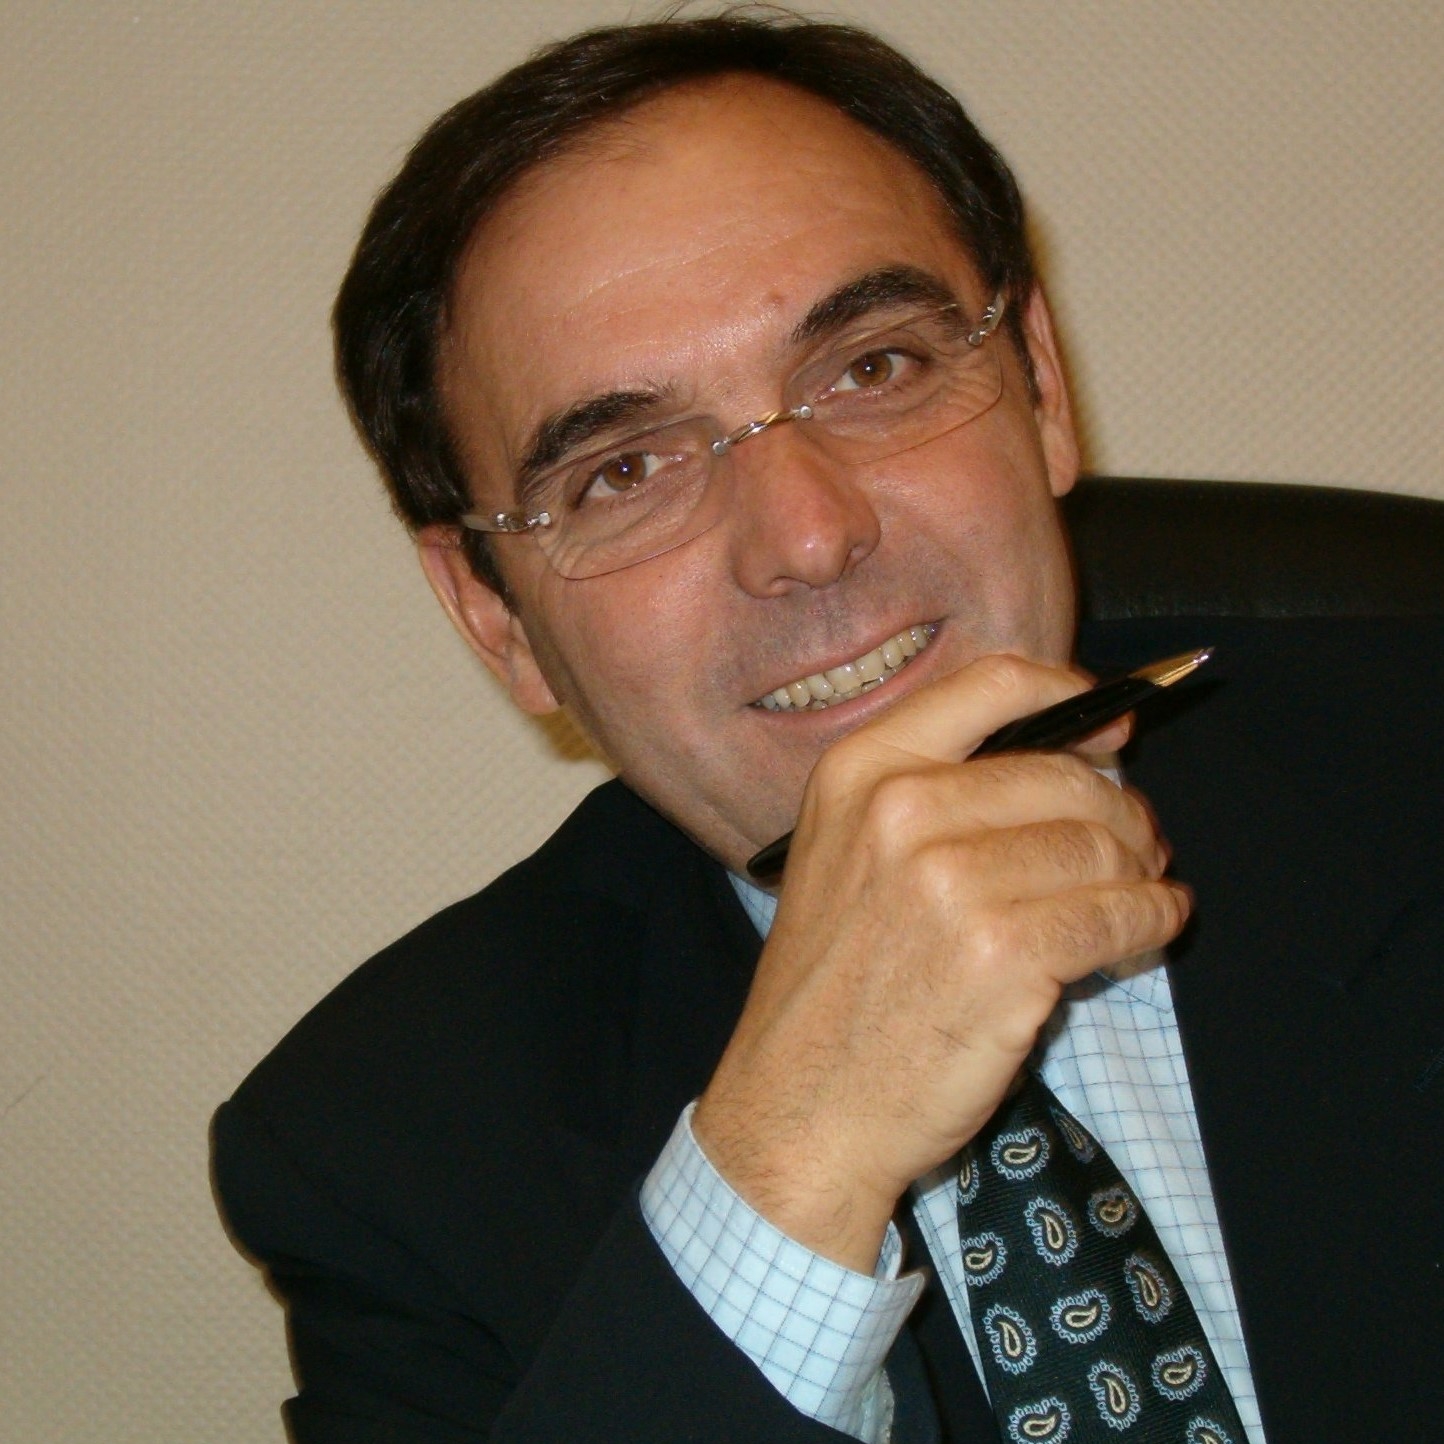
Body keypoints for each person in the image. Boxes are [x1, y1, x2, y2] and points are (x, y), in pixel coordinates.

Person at [212, 12, 1443, 1443]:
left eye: (872, 369)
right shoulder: (386, 1146)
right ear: (495, 614)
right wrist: (791, 1162)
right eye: (624, 470)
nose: (807, 536)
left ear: (1039, 383)